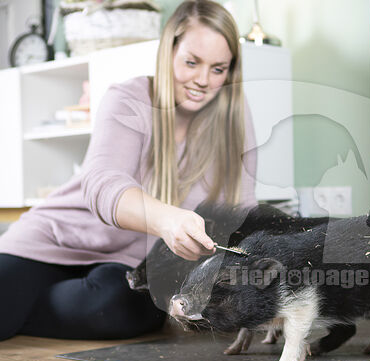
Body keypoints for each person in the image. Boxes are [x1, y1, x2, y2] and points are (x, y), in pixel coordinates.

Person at [0, 0, 257, 341]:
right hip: (53, 240)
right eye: (191, 63)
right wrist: (166, 219)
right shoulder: (129, 98)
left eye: (218, 69)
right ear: (169, 52)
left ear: (230, 71)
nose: (202, 80)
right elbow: (103, 183)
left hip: (125, 267)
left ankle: (20, 308)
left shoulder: (234, 124)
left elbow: (244, 214)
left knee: (122, 307)